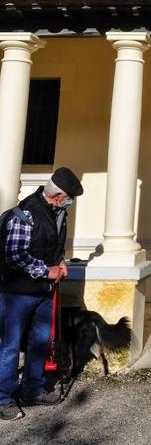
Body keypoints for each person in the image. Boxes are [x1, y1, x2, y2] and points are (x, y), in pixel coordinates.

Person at [0, 167, 83, 421]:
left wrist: (61, 261)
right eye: (68, 197)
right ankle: (4, 398)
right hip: (17, 293)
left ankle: (32, 390)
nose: (69, 201)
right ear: (57, 195)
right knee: (10, 346)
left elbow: (54, 246)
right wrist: (46, 271)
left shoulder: (59, 214)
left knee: (39, 342)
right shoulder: (25, 214)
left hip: (43, 293)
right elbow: (14, 255)